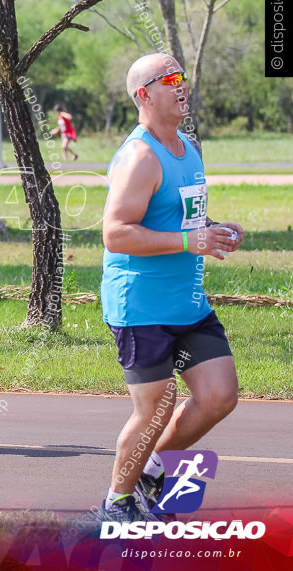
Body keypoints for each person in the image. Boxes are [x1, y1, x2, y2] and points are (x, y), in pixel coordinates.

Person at [97, 53, 241, 522]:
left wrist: (213, 231)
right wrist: (189, 239)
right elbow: (116, 233)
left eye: (183, 78)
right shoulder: (140, 157)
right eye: (170, 79)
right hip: (141, 304)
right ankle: (116, 503)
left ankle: (149, 465)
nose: (182, 86)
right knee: (156, 407)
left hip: (188, 302)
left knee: (219, 395)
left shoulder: (189, 148)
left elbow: (183, 224)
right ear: (144, 95)